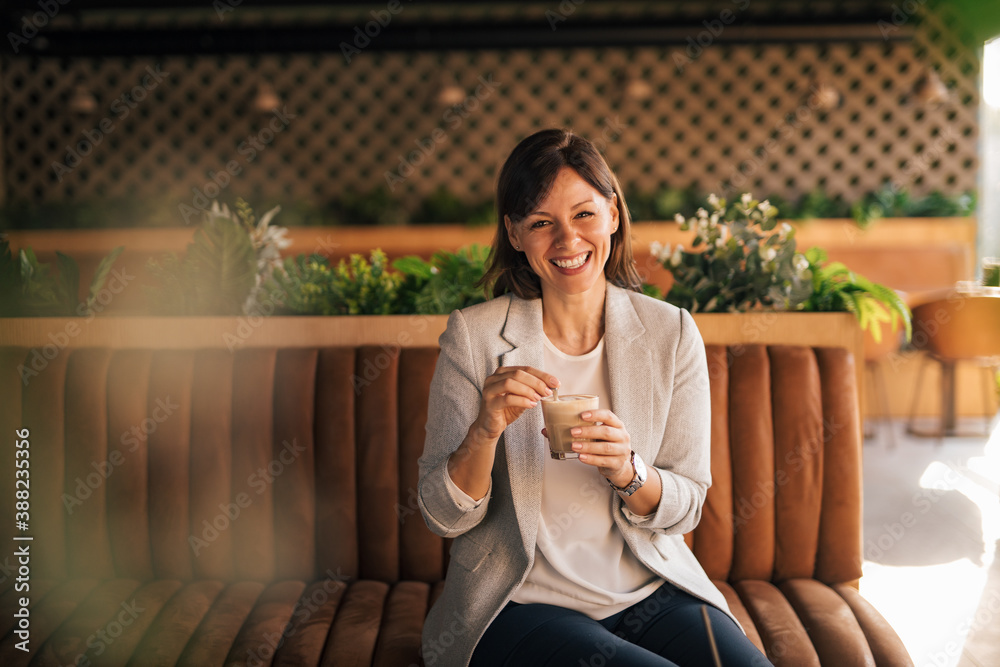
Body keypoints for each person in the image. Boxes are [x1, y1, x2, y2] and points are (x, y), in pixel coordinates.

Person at [417, 128, 772, 667]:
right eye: (541, 223)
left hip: (648, 590)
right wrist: (484, 432)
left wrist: (630, 472)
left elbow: (688, 504)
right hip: (519, 602)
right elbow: (443, 517)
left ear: (613, 214)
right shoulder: (475, 337)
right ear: (514, 234)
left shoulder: (671, 332)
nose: (567, 240)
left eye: (584, 214)